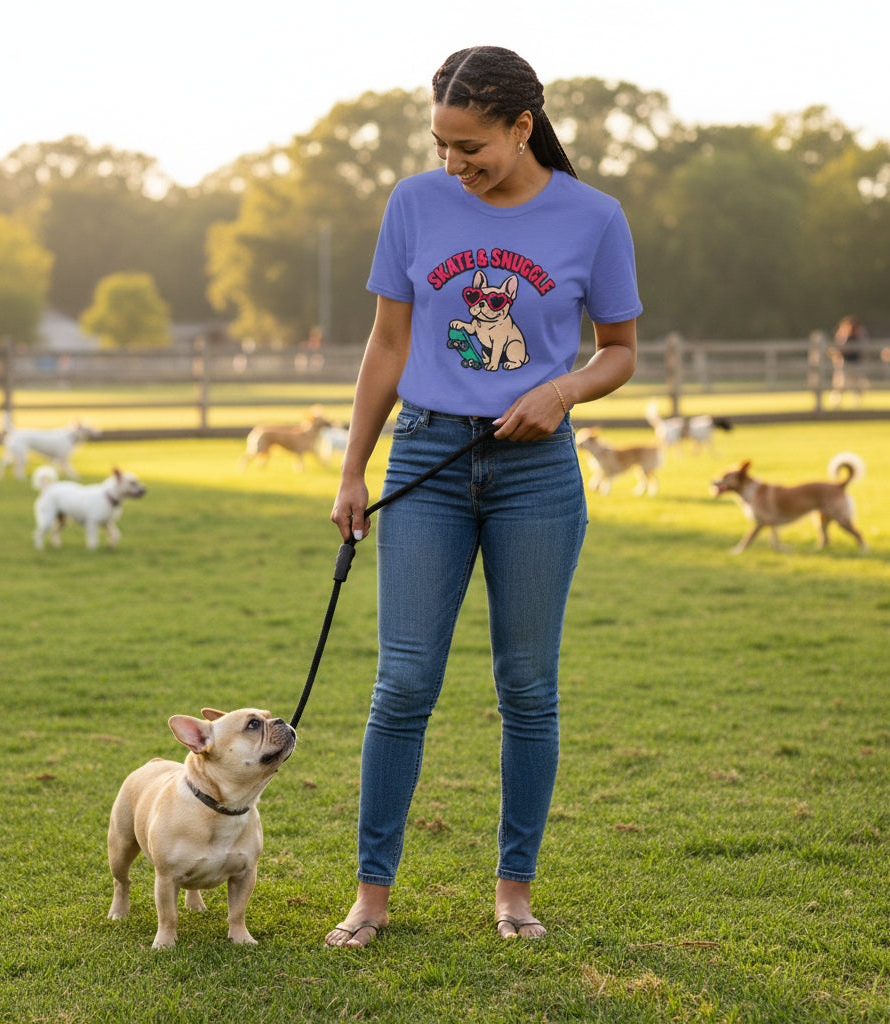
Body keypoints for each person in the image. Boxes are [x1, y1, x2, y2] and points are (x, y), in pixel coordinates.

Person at [324, 45, 642, 948]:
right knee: (402, 683)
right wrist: (353, 468)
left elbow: (620, 350)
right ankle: (372, 898)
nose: (453, 163)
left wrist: (562, 391)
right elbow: (388, 345)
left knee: (527, 686)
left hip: (536, 473)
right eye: (441, 145)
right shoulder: (413, 204)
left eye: (471, 147)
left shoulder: (594, 217)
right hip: (426, 457)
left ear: (522, 126)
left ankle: (514, 893)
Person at [829, 315, 868, 406]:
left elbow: (863, 349)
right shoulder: (842, 334)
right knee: (840, 383)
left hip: (856, 362)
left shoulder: (859, 334)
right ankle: (836, 401)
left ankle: (856, 401)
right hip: (845, 362)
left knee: (857, 382)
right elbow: (839, 349)